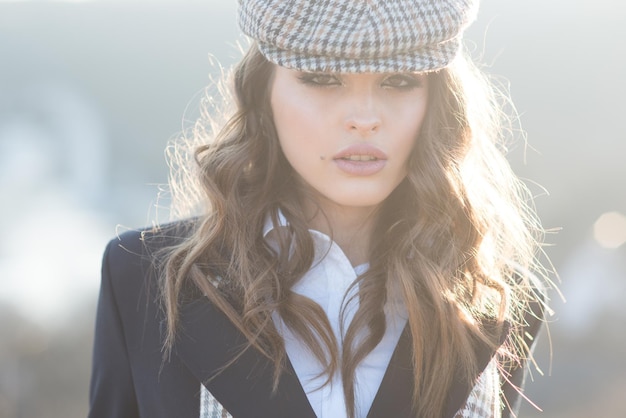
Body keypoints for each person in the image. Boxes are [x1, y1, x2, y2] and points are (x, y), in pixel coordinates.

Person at [88, 1, 553, 417]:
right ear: (262, 94)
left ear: (436, 102)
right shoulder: (145, 277)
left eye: (399, 80)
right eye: (321, 78)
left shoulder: (493, 298)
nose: (364, 117)